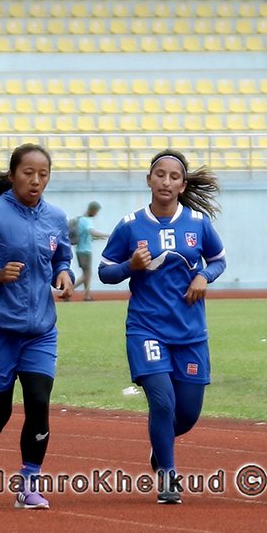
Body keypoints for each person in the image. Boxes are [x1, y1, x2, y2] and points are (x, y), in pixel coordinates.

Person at [0, 143, 75, 510]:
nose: (36, 181)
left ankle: (29, 483)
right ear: (12, 175)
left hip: (40, 331)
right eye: (28, 173)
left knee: (38, 403)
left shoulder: (56, 216)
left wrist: (63, 273)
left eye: (43, 174)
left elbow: (61, 255)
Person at [98, 150, 224, 504]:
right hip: (146, 329)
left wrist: (203, 276)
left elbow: (218, 260)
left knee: (187, 415)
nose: (166, 181)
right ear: (149, 180)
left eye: (174, 177)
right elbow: (105, 272)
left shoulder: (198, 223)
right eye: (160, 174)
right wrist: (130, 266)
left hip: (190, 332)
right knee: (163, 403)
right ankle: (168, 476)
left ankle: (160, 446)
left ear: (183, 185)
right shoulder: (130, 225)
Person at [72, 202, 108, 301]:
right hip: (85, 251)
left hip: (80, 250)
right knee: (87, 274)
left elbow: (87, 236)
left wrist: (99, 238)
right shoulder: (86, 220)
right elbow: (92, 232)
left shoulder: (80, 220)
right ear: (93, 210)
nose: (96, 214)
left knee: (86, 273)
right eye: (96, 212)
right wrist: (107, 235)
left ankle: (87, 295)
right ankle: (69, 289)